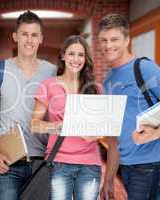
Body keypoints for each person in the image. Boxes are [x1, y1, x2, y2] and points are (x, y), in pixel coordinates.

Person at [98, 13, 160, 200]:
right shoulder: (108, 82)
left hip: (150, 164)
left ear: (127, 40)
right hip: (127, 166)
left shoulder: (145, 68)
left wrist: (155, 133)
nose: (108, 45)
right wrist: (109, 179)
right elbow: (114, 137)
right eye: (103, 40)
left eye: (114, 39)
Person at [31, 35, 118, 200]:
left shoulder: (95, 88)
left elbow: (106, 128)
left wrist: (98, 133)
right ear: (63, 56)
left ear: (86, 59)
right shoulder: (48, 84)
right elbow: (34, 125)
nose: (76, 59)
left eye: (81, 55)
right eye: (71, 54)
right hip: (59, 162)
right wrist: (59, 126)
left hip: (90, 163)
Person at [0, 11, 56, 200]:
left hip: (42, 163)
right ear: (15, 36)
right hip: (8, 161)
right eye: (24, 34)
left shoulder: (52, 71)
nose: (29, 40)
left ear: (41, 38)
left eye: (34, 35)